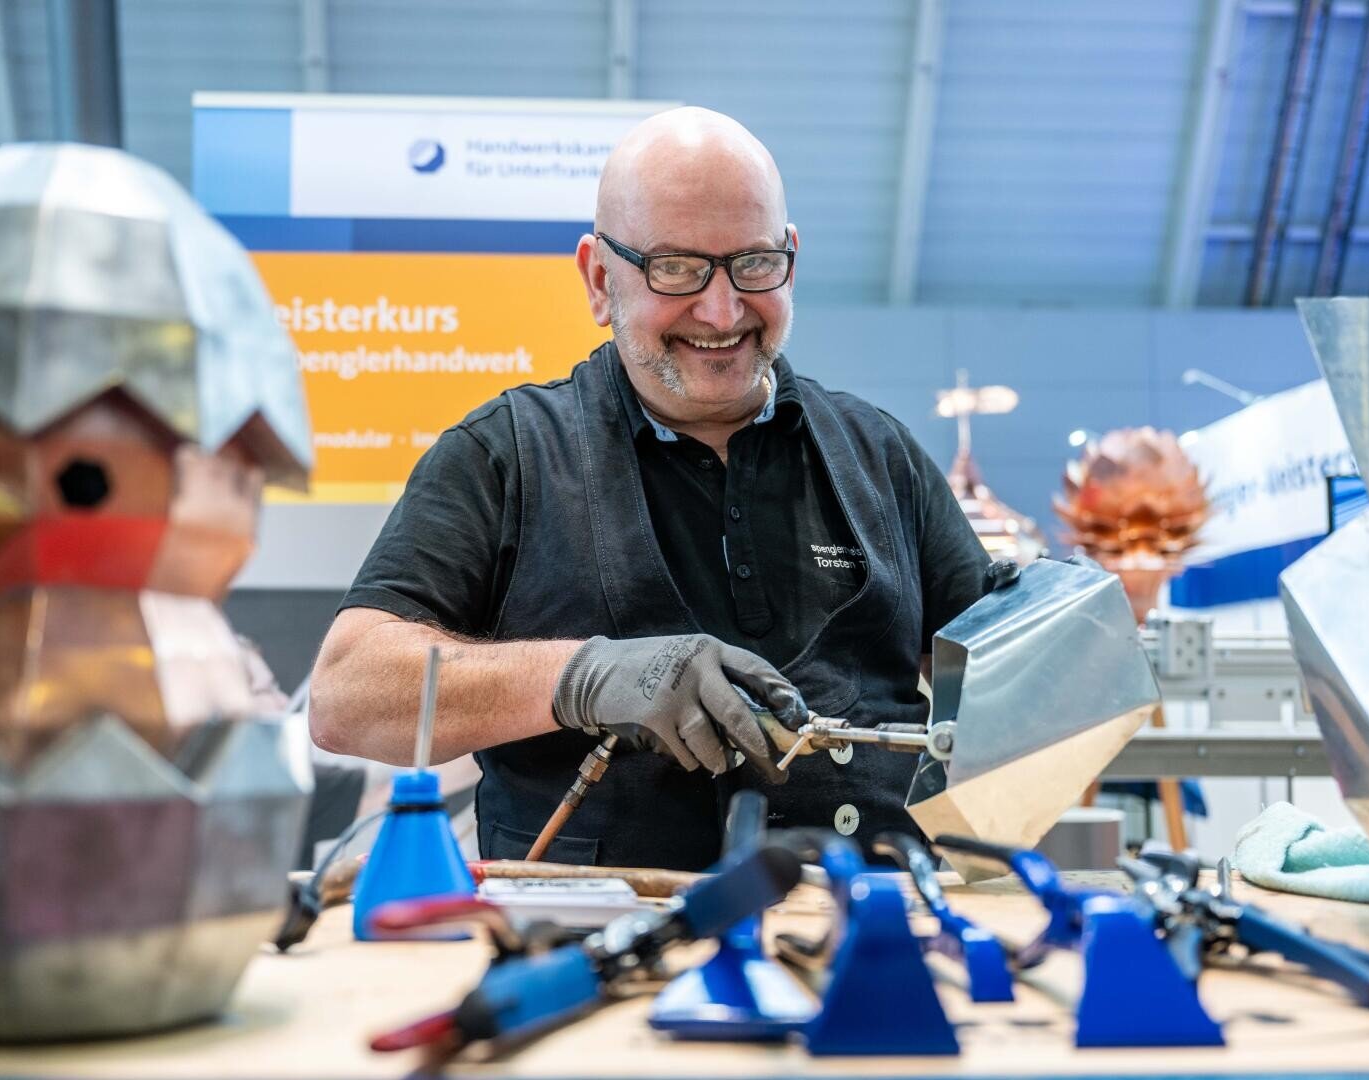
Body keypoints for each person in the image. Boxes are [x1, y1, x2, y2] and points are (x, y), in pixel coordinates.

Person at [308, 107, 990, 870]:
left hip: (871, 935)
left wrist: (1073, 638)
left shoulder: (881, 456)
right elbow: (346, 696)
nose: (723, 310)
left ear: (791, 256)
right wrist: (582, 677)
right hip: (587, 951)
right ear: (601, 280)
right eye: (677, 268)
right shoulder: (506, 457)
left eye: (755, 263)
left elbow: (1007, 691)